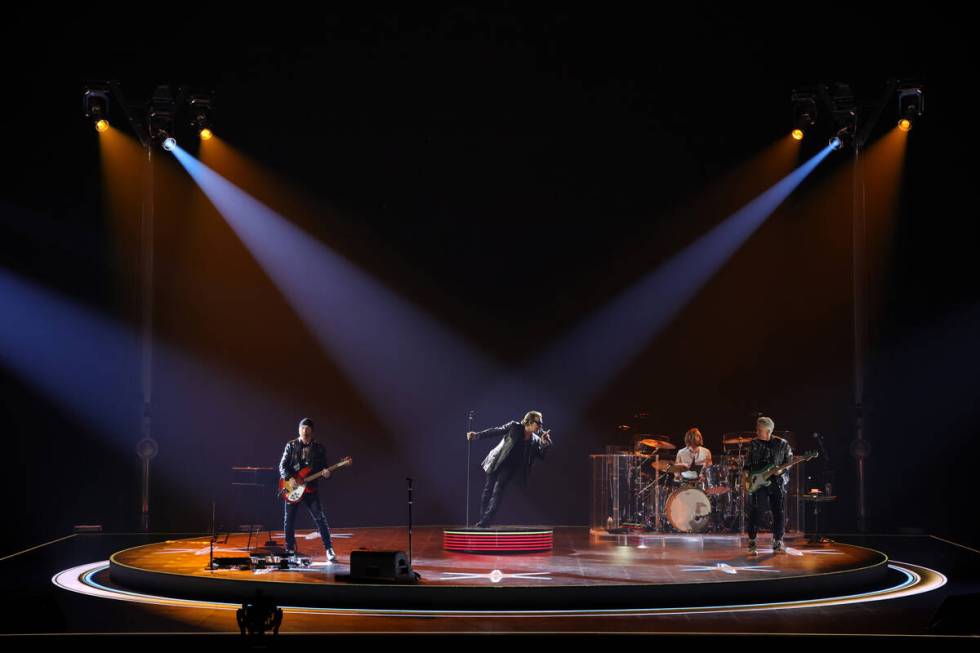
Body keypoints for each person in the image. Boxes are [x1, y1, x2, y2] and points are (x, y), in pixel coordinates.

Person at [466, 410, 552, 528]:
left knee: (498, 492)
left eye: (541, 423)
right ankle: (482, 519)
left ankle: (485, 522)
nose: (541, 426)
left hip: (509, 468)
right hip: (497, 461)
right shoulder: (514, 427)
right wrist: (477, 435)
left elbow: (541, 456)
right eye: (539, 423)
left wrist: (544, 443)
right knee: (487, 490)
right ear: (529, 422)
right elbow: (496, 431)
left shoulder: (535, 440)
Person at [279, 417, 337, 562]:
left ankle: (329, 549)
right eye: (302, 428)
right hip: (293, 488)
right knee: (289, 521)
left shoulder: (319, 448)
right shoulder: (291, 446)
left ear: (311, 431)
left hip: (310, 489)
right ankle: (290, 549)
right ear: (299, 430)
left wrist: (327, 474)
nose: (304, 431)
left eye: (307, 428)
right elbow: (282, 466)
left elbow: (324, 468)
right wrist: (290, 478)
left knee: (320, 519)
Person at [743, 415, 793, 555]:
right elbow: (747, 465)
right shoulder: (753, 443)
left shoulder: (782, 444)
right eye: (757, 429)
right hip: (759, 482)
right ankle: (752, 541)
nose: (757, 432)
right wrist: (746, 480)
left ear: (768, 431)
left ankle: (777, 541)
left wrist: (782, 470)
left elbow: (789, 461)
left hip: (776, 482)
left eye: (760, 430)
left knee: (779, 512)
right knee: (757, 511)